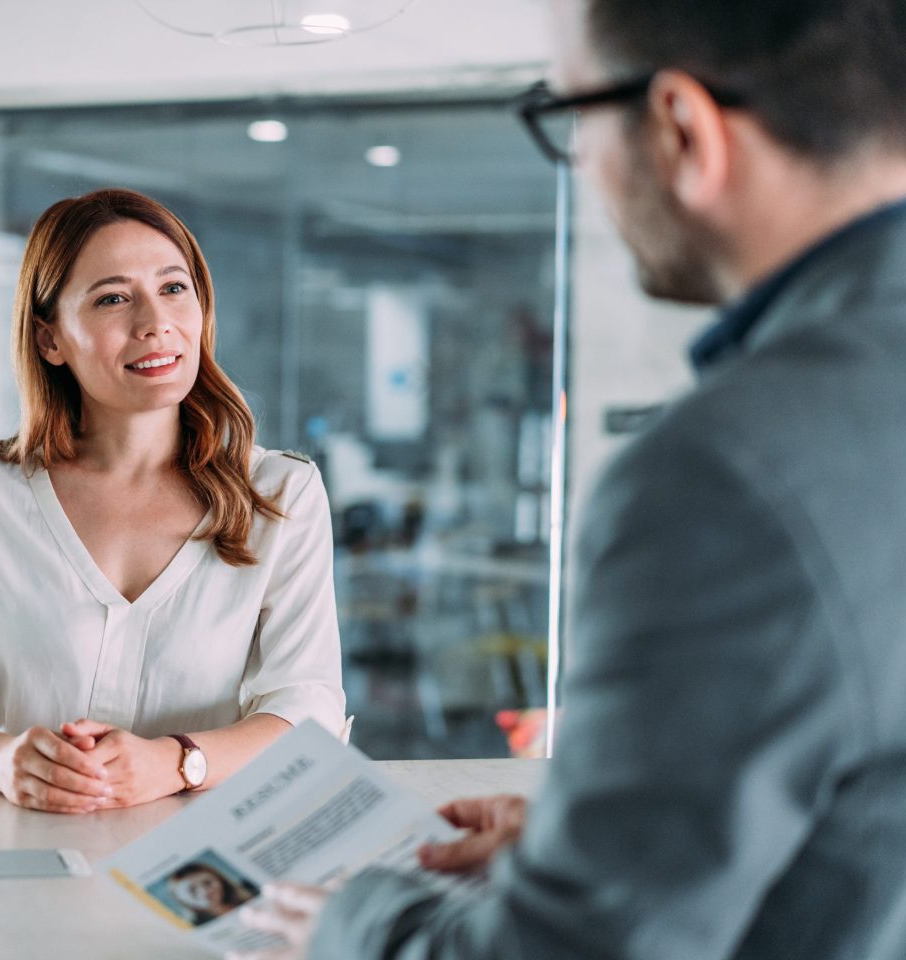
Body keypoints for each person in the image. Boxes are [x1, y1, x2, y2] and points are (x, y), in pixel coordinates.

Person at [238, 0, 906, 958]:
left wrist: (358, 921)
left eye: (578, 116)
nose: (585, 163)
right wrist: (594, 848)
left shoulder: (729, 471)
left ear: (682, 128)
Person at [0, 189, 346, 813]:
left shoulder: (280, 496)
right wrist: (0, 760)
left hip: (202, 873)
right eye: (113, 299)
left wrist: (176, 761)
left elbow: (308, 710)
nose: (155, 322)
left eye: (175, 288)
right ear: (50, 339)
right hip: (26, 860)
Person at [166, 862, 259, 926]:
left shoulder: (252, 891)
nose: (204, 891)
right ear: (182, 899)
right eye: (192, 890)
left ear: (219, 880)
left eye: (207, 883)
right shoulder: (193, 925)